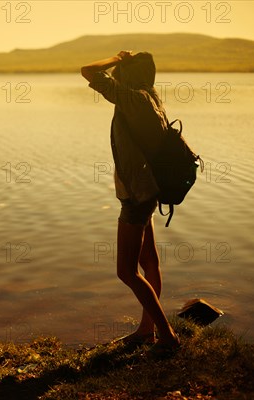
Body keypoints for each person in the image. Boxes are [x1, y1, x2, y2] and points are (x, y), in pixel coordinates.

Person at [81, 51, 180, 355]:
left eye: (122, 71)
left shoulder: (133, 100)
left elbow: (87, 70)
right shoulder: (151, 97)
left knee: (126, 271)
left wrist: (114, 58)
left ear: (128, 74)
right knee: (149, 262)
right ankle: (146, 331)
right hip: (148, 189)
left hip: (136, 197)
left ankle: (167, 336)